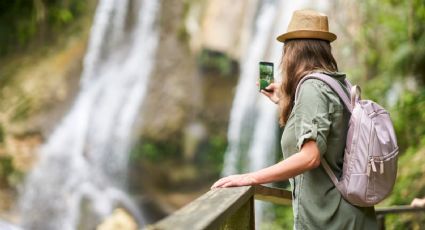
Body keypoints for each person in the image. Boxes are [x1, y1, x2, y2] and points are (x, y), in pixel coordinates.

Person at [211, 10, 378, 229]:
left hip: (331, 219)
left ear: (293, 52)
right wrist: (286, 101)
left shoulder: (311, 88)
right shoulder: (339, 85)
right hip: (354, 215)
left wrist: (250, 178)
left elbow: (310, 157)